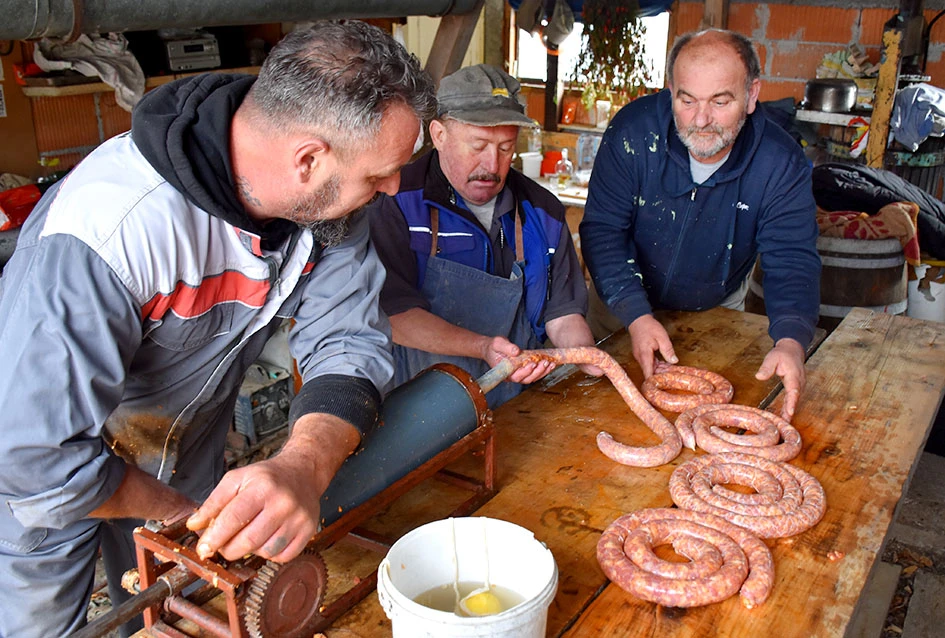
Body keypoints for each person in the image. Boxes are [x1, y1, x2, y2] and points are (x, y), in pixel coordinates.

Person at [0, 20, 436, 637]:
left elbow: (350, 342)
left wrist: (302, 466)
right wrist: (187, 513)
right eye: (380, 175)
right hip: (38, 476)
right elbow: (34, 461)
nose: (393, 188)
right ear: (308, 159)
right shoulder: (109, 231)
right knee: (42, 626)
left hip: (183, 452)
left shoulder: (331, 205)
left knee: (173, 613)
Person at [580, 29, 820, 420]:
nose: (702, 120)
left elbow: (791, 259)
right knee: (600, 413)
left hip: (715, 313)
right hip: (618, 304)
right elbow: (604, 229)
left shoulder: (781, 162)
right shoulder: (633, 133)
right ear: (670, 89)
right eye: (687, 100)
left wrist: (791, 341)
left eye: (721, 101)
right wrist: (636, 315)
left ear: (752, 94)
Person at [368, 64, 599, 407]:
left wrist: (586, 359)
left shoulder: (541, 212)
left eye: (506, 148)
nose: (492, 164)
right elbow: (395, 316)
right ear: (439, 135)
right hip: (415, 411)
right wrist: (481, 347)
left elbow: (562, 314)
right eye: (478, 145)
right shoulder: (396, 202)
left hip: (515, 407)